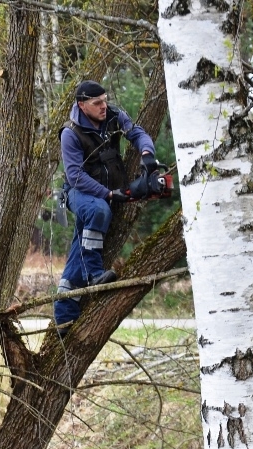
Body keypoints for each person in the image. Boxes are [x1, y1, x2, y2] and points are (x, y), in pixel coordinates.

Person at [54, 80, 158, 336]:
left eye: (105, 100)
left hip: (103, 193)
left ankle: (64, 316)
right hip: (79, 193)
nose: (104, 106)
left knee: (80, 245)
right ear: (82, 105)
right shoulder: (70, 133)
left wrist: (147, 154)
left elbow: (137, 133)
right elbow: (75, 175)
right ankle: (93, 274)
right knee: (99, 211)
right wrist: (109, 194)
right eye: (97, 102)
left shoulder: (113, 115)